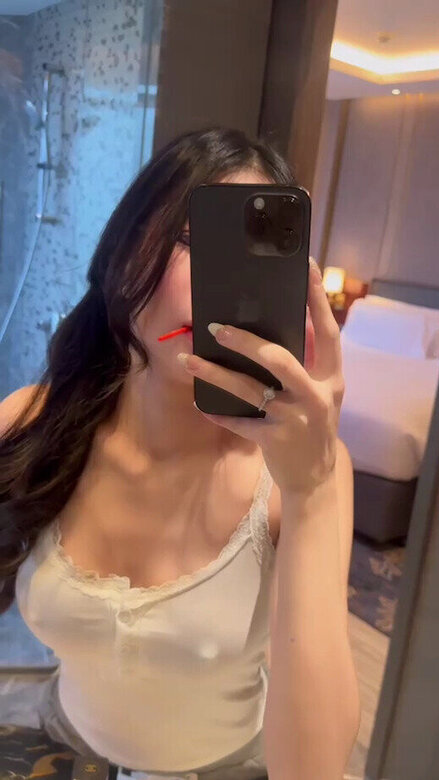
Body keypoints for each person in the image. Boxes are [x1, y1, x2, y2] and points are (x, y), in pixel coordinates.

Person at [0, 127, 353, 779]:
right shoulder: (35, 419)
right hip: (58, 744)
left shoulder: (301, 474)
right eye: (188, 239)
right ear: (123, 250)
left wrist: (310, 492)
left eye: (242, 252)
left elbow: (314, 772)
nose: (206, 282)